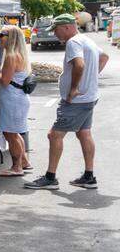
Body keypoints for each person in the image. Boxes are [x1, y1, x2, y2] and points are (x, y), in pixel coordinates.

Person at [26, 14, 109, 190]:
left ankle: (50, 178)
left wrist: (74, 88)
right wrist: (91, 79)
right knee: (84, 133)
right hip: (89, 97)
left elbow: (79, 65)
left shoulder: (73, 42)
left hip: (77, 100)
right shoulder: (87, 40)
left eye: (55, 30)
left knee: (54, 135)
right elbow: (104, 57)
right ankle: (89, 176)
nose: (55, 34)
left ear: (66, 27)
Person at [0, 25, 32, 176]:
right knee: (15, 133)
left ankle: (17, 167)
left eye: (1, 35)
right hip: (17, 98)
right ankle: (24, 161)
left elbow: (4, 81)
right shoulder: (17, 54)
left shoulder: (11, 56)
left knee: (10, 134)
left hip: (13, 99)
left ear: (10, 38)